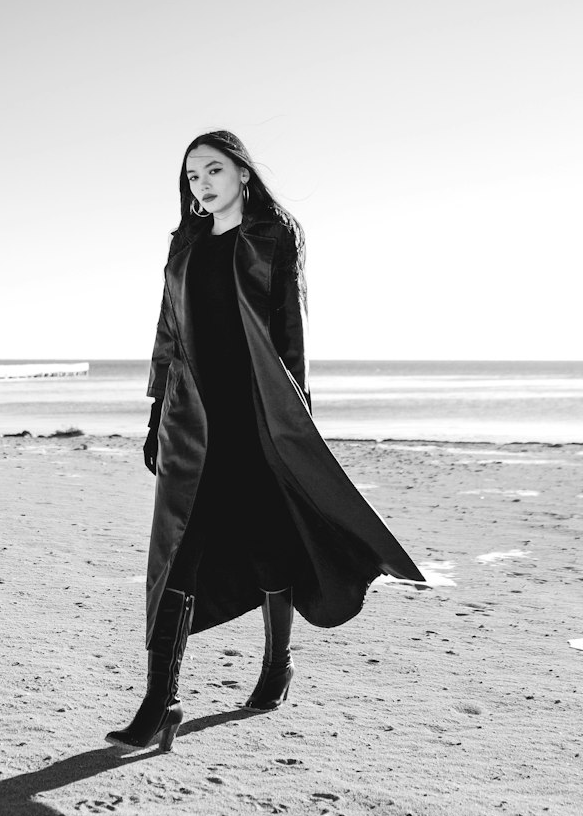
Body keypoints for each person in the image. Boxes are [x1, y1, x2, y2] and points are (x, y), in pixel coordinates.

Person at [106, 129, 425, 753]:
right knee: (177, 553)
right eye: (193, 174)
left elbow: (287, 336)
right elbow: (167, 333)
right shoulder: (185, 245)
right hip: (192, 425)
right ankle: (160, 700)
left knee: (266, 545)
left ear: (243, 175)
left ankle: (277, 664)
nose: (202, 183)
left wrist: (294, 424)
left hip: (254, 422)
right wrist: (154, 417)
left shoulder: (272, 238)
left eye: (214, 170)